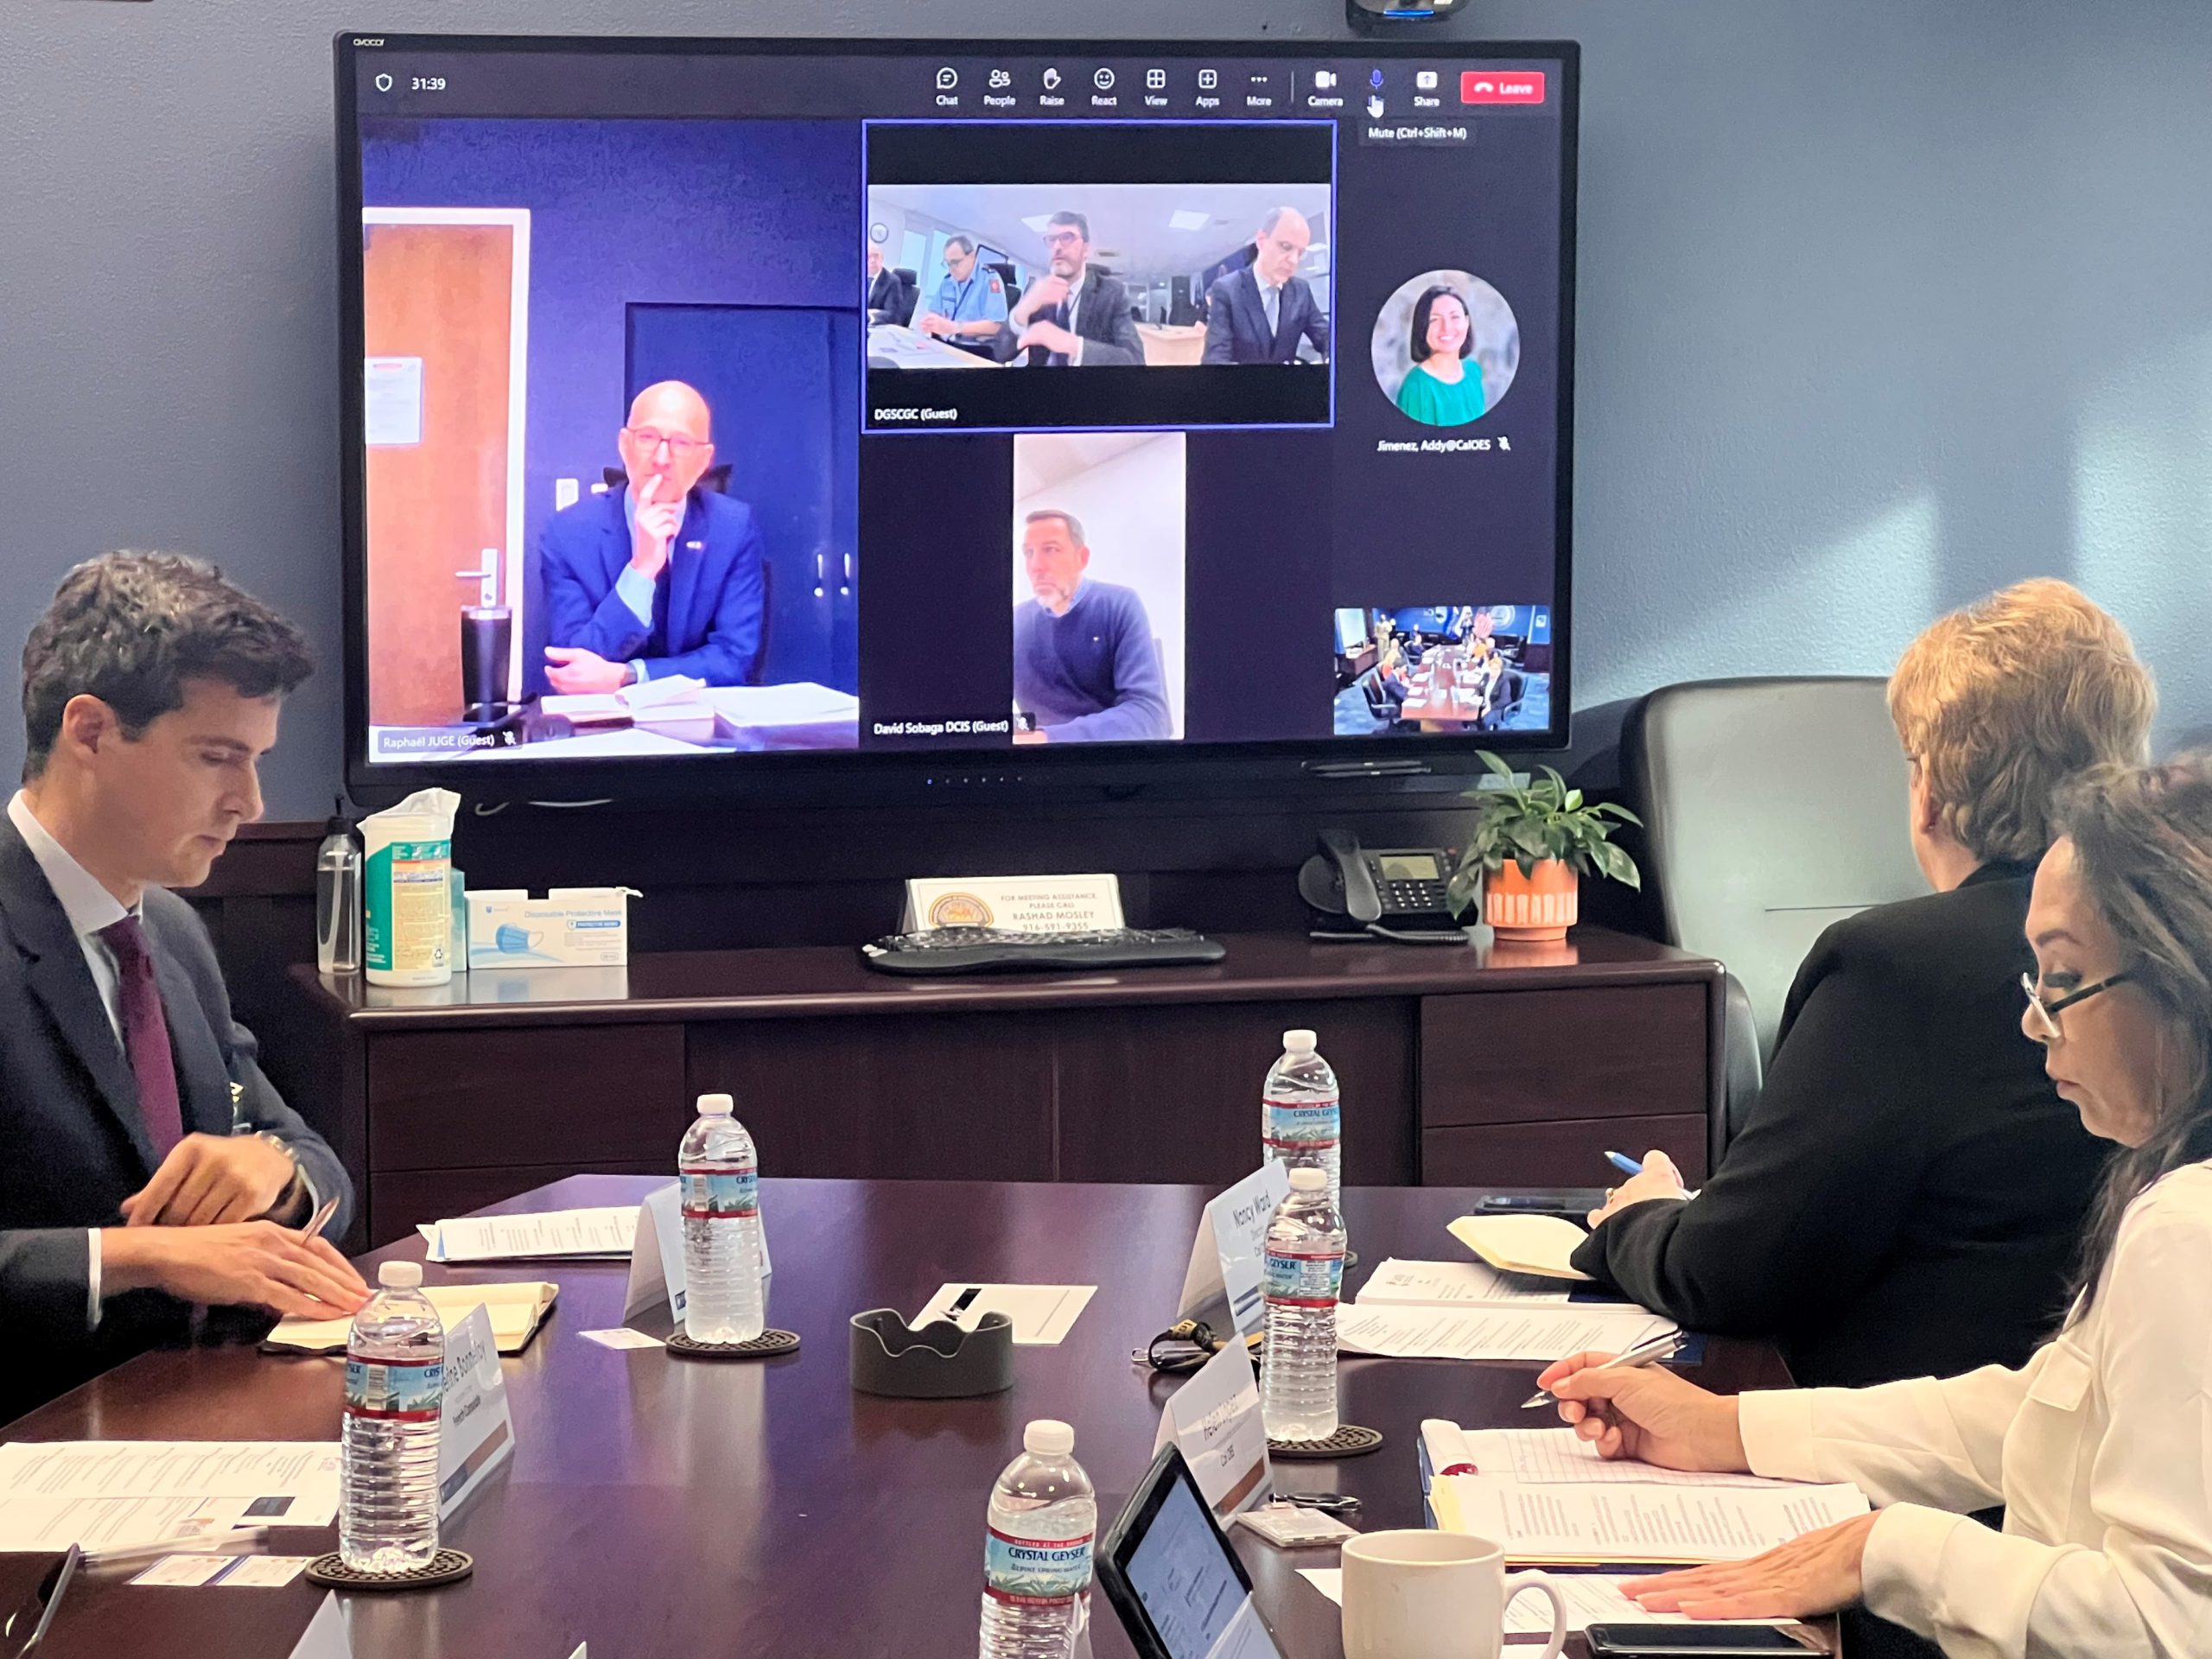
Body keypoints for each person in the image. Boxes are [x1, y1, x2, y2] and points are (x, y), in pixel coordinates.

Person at [1536, 755, 2212, 1657]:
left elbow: (2168, 1628)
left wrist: (1890, 1553)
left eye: (2060, 978)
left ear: (2181, 979)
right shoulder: (2167, 1188)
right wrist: (1727, 1427)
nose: (2032, 1021)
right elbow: (2040, 1413)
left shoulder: (2187, 1230)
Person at [1572, 582, 2151, 1388]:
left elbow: (1729, 1275)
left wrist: (1638, 1219)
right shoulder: (2173, 943)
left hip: (1905, 1428)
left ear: (1931, 792)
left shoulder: (1899, 966)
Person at [0, 553, 365, 1427]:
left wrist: (276, 1174)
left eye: (257, 761)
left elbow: (309, 1157)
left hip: (197, 1420)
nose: (251, 801)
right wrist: (141, 1258)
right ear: (90, 733)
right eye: (217, 758)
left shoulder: (167, 930)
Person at [537, 380, 766, 692]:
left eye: (681, 443)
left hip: (699, 714)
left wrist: (630, 675)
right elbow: (573, 664)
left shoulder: (733, 528)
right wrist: (642, 569)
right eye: (647, 437)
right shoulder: (568, 534)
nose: (661, 458)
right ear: (624, 445)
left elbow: (734, 658)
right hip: (603, 718)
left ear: (704, 460)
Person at [1010, 510, 1171, 743]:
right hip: (1038, 757)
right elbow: (1013, 719)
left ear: (1082, 558)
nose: (1036, 566)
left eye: (1051, 550)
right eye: (1029, 553)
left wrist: (1047, 737)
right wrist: (1008, 732)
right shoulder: (1016, 621)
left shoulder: (1119, 604)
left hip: (1106, 756)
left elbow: (1149, 715)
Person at [994, 212, 1143, 368]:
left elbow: (1136, 360)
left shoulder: (1112, 293)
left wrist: (1072, 345)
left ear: (1086, 250)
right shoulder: (1037, 290)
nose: (1057, 246)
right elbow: (1000, 354)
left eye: (1067, 237)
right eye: (1052, 239)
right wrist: (1022, 311)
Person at [1201, 207, 1330, 365]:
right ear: (1261, 241)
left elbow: (1326, 336)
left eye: (1300, 253)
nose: (1294, 260)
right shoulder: (1227, 289)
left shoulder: (1301, 291)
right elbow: (1214, 360)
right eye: (1286, 247)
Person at [1393, 283, 1486, 426]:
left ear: (1467, 322)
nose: (1446, 328)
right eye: (1434, 320)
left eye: (1455, 317)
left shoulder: (1474, 372)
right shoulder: (1416, 388)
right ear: (1422, 326)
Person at [912, 234, 1008, 347]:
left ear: (972, 256)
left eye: (956, 262)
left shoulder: (990, 279)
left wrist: (955, 328)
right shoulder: (947, 281)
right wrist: (929, 323)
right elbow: (934, 311)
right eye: (948, 264)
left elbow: (995, 326)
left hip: (970, 348)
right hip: (942, 343)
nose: (951, 269)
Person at [864, 244, 901, 316]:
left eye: (876, 256)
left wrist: (867, 314)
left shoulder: (892, 281)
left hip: (878, 322)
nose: (872, 260)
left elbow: (892, 314)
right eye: (868, 256)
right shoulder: (857, 278)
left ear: (882, 258)